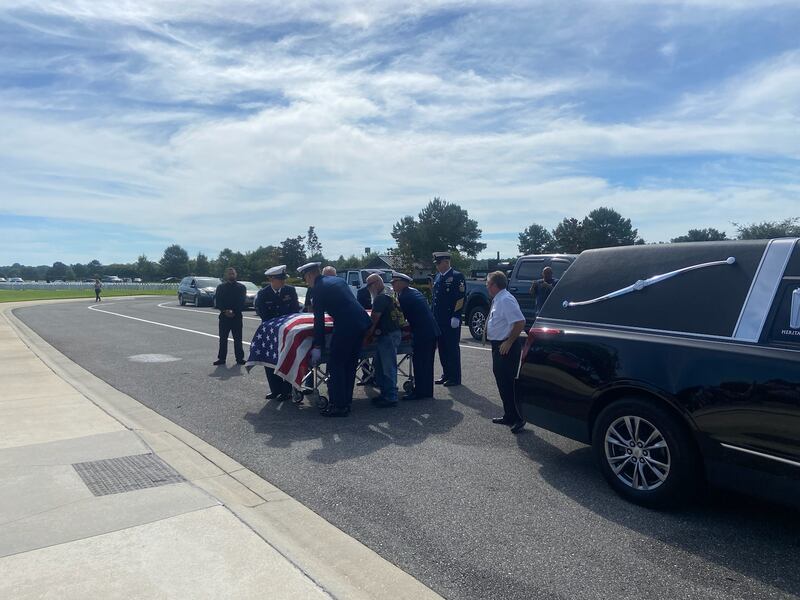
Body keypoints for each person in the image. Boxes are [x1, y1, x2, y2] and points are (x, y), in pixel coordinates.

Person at [298, 262, 371, 417]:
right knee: (350, 365)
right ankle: (346, 402)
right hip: (361, 323)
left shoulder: (317, 288)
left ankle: (338, 406)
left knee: (335, 365)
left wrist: (318, 345)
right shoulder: (338, 280)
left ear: (310, 275)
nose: (306, 282)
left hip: (346, 327)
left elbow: (319, 320)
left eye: (306, 278)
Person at [486, 271, 526, 433]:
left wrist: (508, 342)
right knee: (502, 382)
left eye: (488, 284)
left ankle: (518, 418)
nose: (487, 287)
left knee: (508, 384)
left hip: (506, 346)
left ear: (495, 285)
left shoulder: (506, 300)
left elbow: (520, 322)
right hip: (498, 346)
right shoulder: (499, 299)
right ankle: (509, 415)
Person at [391, 272, 440, 400]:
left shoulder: (404, 297)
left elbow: (400, 319)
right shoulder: (414, 292)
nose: (393, 285)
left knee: (420, 363)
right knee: (427, 363)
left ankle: (420, 392)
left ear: (402, 283)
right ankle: (426, 391)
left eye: (394, 282)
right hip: (431, 331)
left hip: (422, 333)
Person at [255, 265, 300, 401]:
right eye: (280, 279)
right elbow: (263, 313)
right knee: (271, 360)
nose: (283, 282)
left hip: (287, 331)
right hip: (271, 332)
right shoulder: (263, 294)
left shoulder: (290, 291)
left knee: (287, 358)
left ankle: (286, 391)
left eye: (283, 279)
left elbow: (295, 310)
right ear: (271, 279)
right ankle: (275, 390)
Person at [364, 273, 403, 407]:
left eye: (369, 286)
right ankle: (385, 394)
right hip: (392, 333)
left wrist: (367, 336)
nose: (368, 289)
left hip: (388, 335)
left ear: (375, 283)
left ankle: (391, 396)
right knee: (380, 366)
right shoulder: (390, 293)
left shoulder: (380, 298)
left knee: (387, 367)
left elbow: (374, 320)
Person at [431, 252, 465, 387]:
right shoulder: (438, 277)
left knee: (452, 349)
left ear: (446, 262)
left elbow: (461, 298)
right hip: (439, 319)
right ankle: (446, 374)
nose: (437, 267)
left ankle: (455, 377)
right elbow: (436, 299)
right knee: (443, 349)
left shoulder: (457, 276)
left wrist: (456, 316)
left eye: (439, 263)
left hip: (451, 320)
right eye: (436, 264)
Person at [213, 267, 247, 366]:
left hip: (237, 317)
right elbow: (218, 301)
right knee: (223, 339)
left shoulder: (241, 287)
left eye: (233, 273)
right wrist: (225, 311)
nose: (231, 275)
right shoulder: (221, 287)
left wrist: (234, 311)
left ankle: (240, 358)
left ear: (236, 274)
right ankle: (221, 359)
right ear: (226, 275)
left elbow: (242, 302)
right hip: (224, 317)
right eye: (229, 273)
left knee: (238, 339)